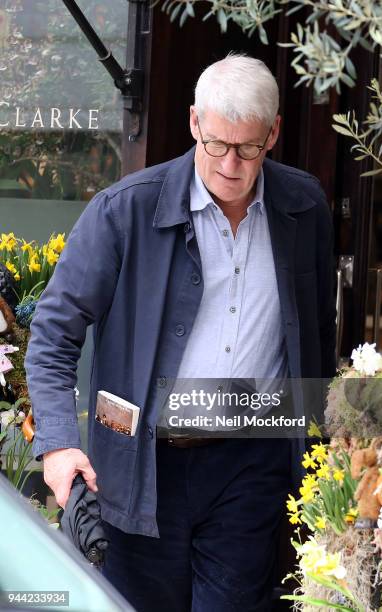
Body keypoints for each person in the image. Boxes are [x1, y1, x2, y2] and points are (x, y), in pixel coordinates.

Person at [25, 54, 336, 611]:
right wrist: (58, 444)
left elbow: (316, 333)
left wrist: (320, 443)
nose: (229, 165)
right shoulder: (125, 210)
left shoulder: (304, 206)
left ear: (274, 135)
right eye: (216, 144)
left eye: (248, 148)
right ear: (194, 124)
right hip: (141, 464)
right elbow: (53, 332)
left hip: (251, 462)